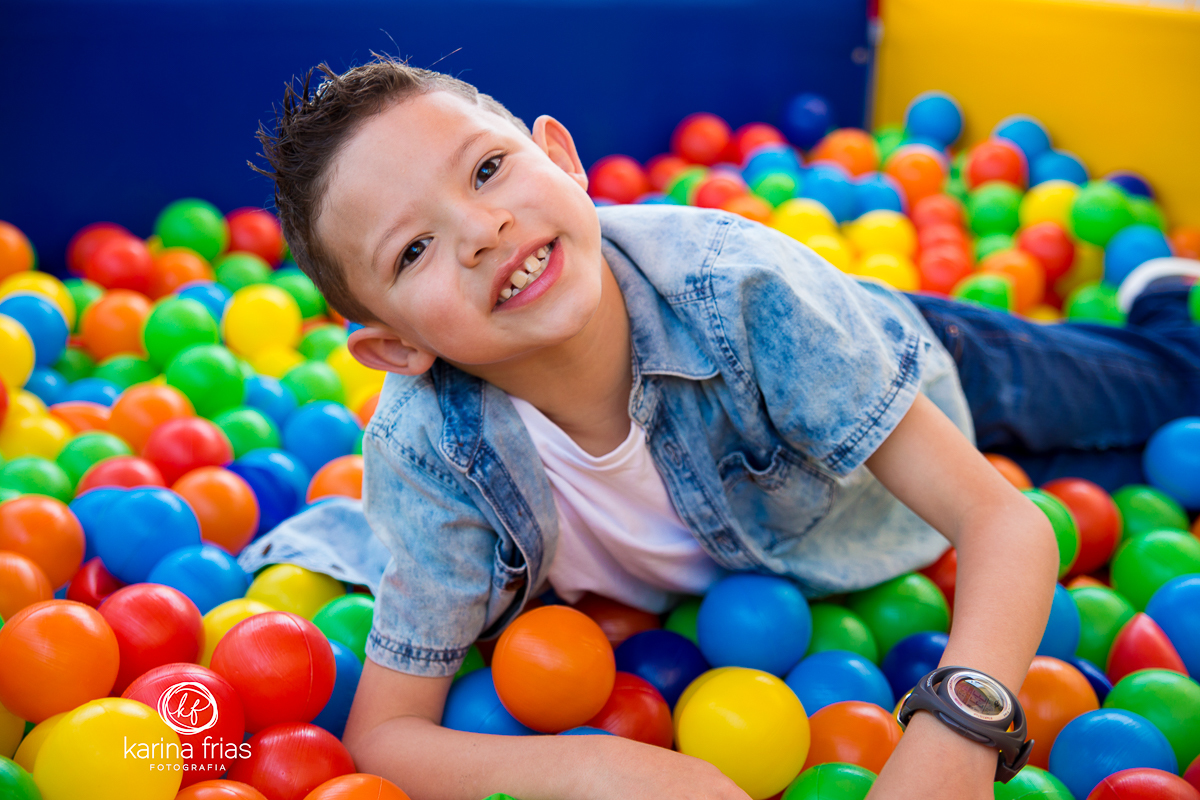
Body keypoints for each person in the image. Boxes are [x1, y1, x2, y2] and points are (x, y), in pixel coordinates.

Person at [245, 55, 1200, 800]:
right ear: (395, 349)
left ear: (564, 160)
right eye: (413, 249)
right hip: (836, 512)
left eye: (490, 169)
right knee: (1146, 474)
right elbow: (383, 735)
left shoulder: (741, 293)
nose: (482, 229)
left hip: (902, 358)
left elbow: (1004, 523)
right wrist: (601, 769)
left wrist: (959, 732)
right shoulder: (427, 451)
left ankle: (1162, 301)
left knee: (1173, 391)